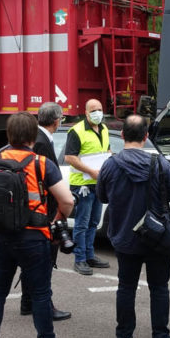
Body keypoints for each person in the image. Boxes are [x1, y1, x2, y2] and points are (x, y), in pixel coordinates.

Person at [0, 112, 77, 338]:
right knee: (41, 294)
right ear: (33, 136)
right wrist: (58, 217)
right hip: (33, 238)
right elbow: (68, 200)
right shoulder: (41, 163)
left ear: (9, 135)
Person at [97, 115, 170, 338]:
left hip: (124, 234)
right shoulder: (159, 163)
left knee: (126, 287)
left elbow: (102, 197)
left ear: (122, 135)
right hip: (157, 235)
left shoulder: (110, 164)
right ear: (146, 137)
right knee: (159, 287)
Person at [18, 101, 72, 321]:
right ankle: (43, 306)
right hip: (43, 212)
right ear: (56, 120)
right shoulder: (41, 142)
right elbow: (45, 181)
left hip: (37, 210)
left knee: (35, 261)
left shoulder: (39, 139)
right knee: (43, 262)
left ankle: (27, 302)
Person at [64, 98, 111, 275]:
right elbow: (69, 157)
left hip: (97, 184)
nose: (97, 113)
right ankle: (80, 259)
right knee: (81, 224)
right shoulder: (76, 131)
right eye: (93, 110)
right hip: (82, 185)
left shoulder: (104, 129)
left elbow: (106, 151)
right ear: (86, 113)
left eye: (99, 109)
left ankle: (90, 255)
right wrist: (91, 171)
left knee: (93, 222)